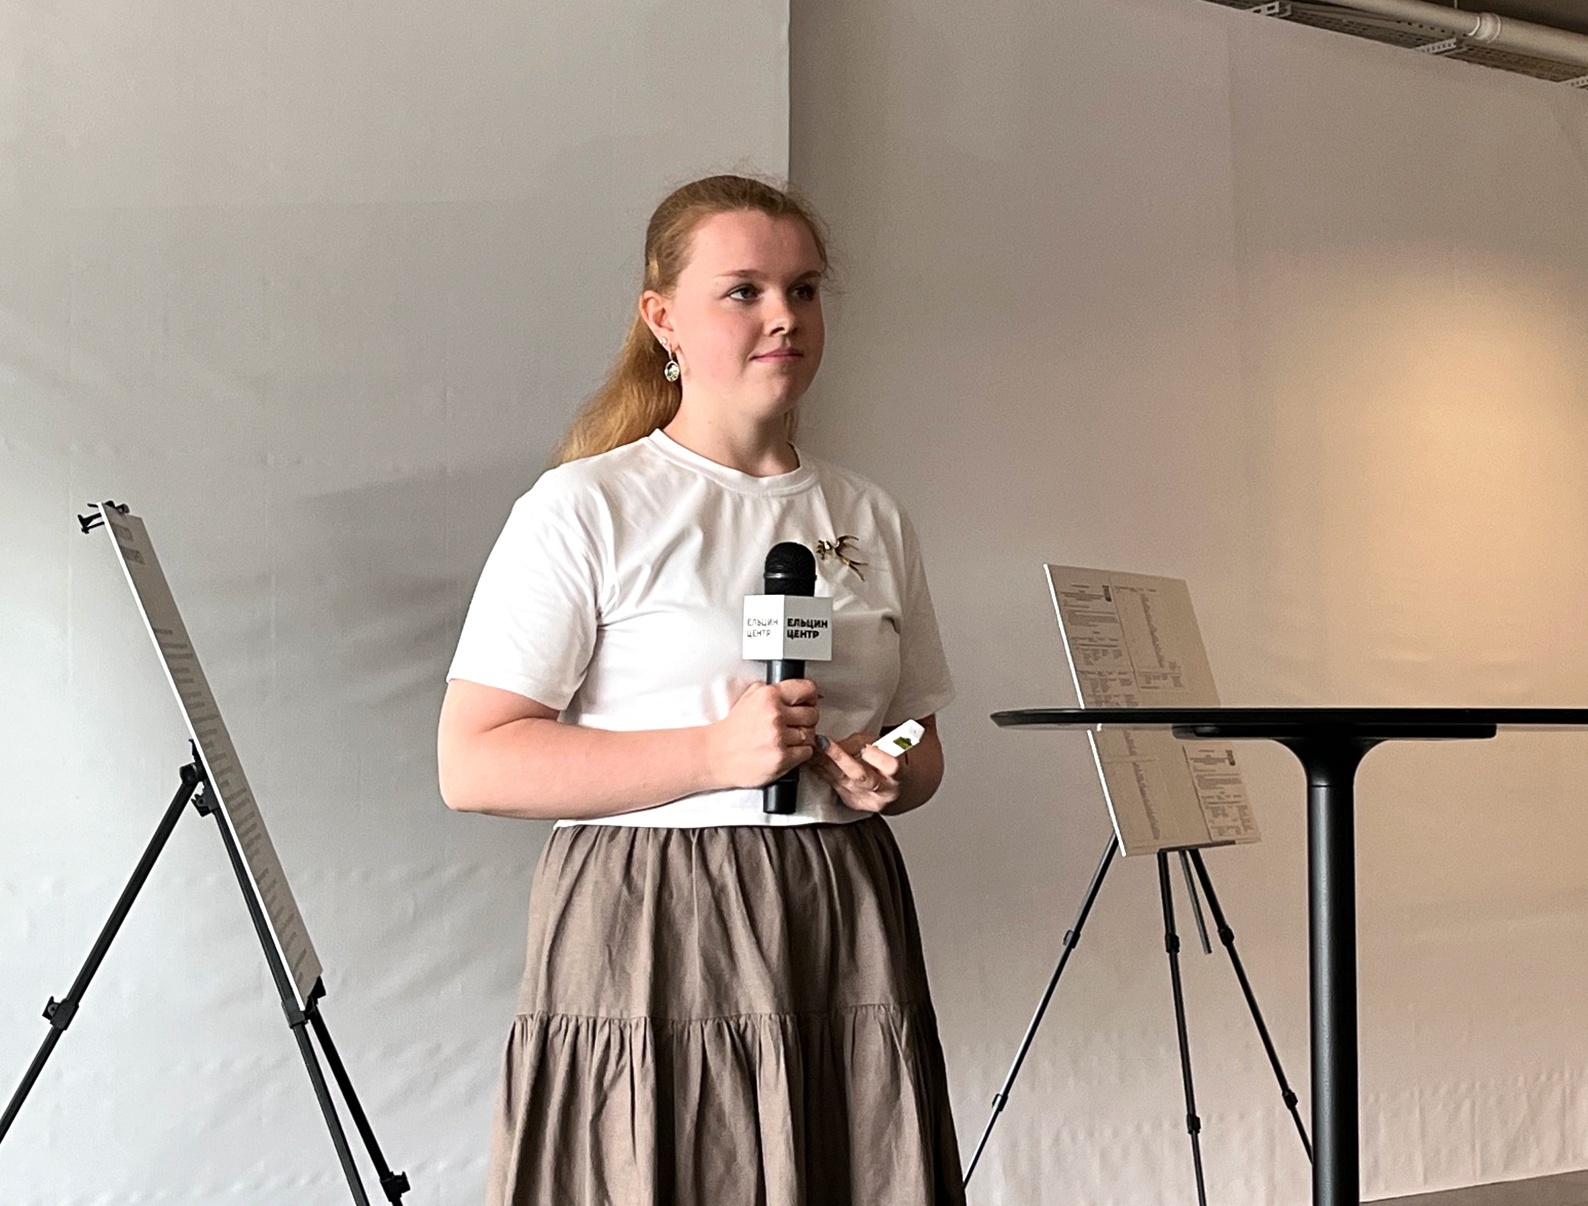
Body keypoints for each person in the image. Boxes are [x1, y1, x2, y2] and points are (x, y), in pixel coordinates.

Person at [438, 174, 965, 1206]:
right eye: (744, 291)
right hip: (653, 919)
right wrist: (710, 756)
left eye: (803, 290)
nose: (785, 316)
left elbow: (919, 732)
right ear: (663, 318)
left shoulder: (869, 513)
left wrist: (888, 771)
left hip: (840, 912)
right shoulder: (585, 508)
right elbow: (475, 760)